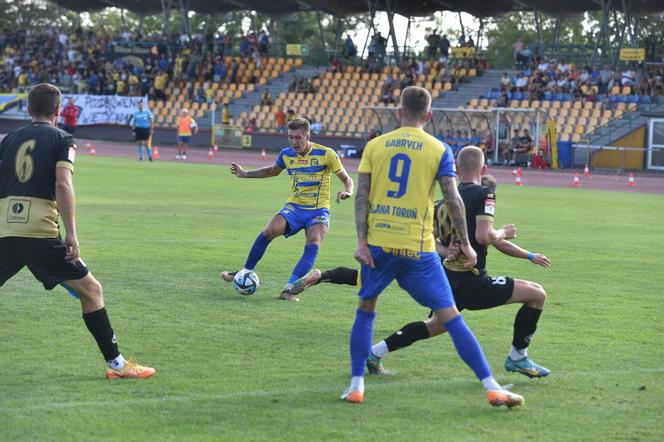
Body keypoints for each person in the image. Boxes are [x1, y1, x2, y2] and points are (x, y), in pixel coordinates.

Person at [340, 86, 524, 408]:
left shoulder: (374, 146)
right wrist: (466, 244)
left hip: (380, 245)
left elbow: (362, 195)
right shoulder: (438, 149)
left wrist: (361, 242)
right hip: (419, 250)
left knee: (366, 310)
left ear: (399, 112)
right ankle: (491, 386)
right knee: (451, 318)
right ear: (429, 115)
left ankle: (357, 386)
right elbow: (453, 199)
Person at [295, 161, 551, 381]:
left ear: (458, 168)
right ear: (483, 168)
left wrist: (445, 251)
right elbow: (485, 237)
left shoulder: (443, 202)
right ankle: (518, 356)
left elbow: (428, 235)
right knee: (537, 294)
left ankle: (375, 352)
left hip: (445, 278)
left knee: (436, 325)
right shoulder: (485, 194)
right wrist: (504, 231)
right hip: (472, 280)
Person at [0, 83, 155, 379]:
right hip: (40, 231)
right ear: (59, 111)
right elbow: (63, 184)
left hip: (5, 226)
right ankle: (118, 366)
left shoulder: (9, 139)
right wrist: (71, 233)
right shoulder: (63, 138)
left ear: (29, 110)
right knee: (92, 290)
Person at [220, 118, 354, 301]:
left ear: (308, 135)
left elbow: (347, 179)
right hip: (295, 207)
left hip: (318, 210)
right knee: (268, 231)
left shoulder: (326, 154)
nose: (293, 141)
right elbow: (271, 171)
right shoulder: (287, 155)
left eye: (297, 137)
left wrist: (348, 191)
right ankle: (243, 272)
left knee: (313, 244)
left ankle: (288, 290)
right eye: (290, 137)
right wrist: (245, 174)